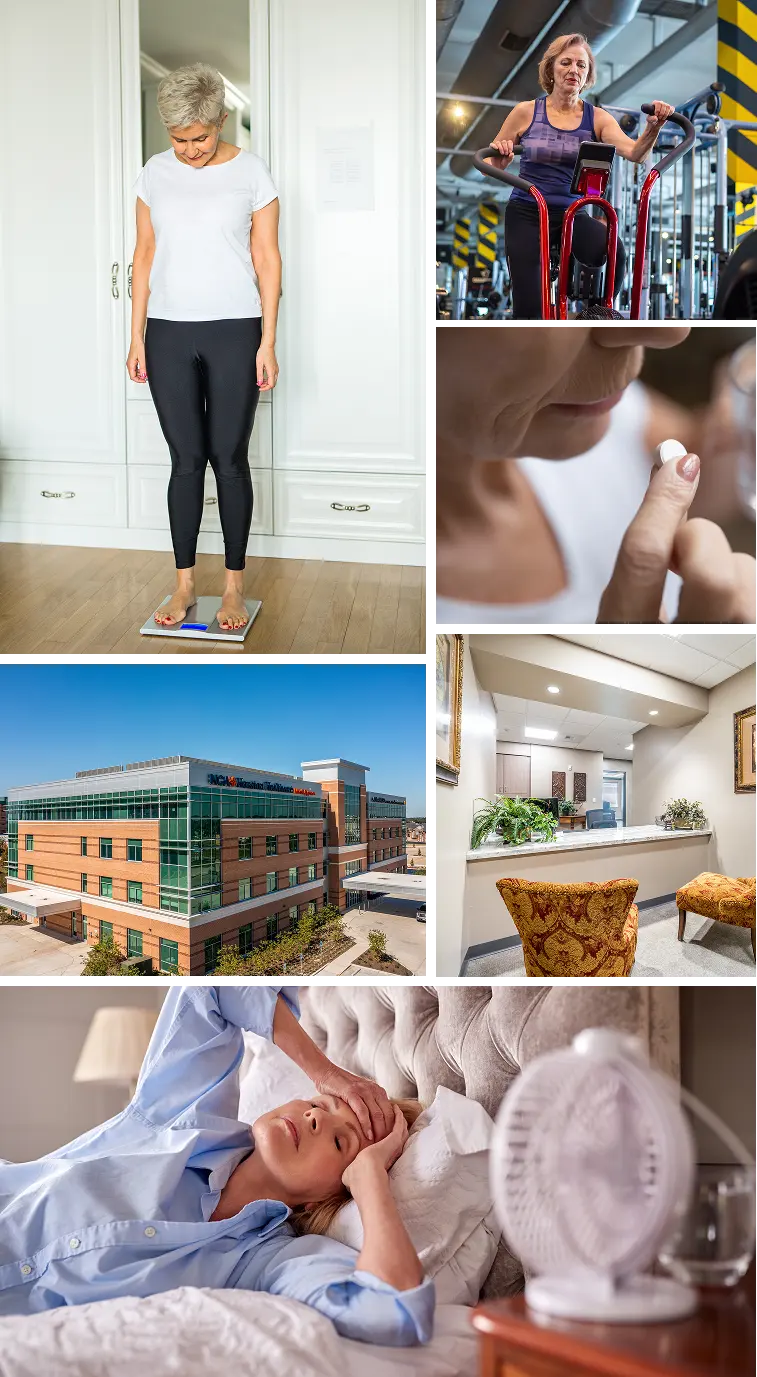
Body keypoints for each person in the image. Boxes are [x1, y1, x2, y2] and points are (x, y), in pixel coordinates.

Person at [0, 986, 433, 1346]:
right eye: (320, 1102)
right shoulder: (183, 1119)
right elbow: (210, 982)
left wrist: (370, 1178)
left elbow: (394, 1312)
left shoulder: (268, 1262)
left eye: (341, 1142)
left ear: (332, 1192)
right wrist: (324, 1071)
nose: (316, 1117)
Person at [434, 322, 756, 625]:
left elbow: (692, 471)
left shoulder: (579, 405)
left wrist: (740, 432)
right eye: (552, 270)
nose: (672, 328)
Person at [127, 64, 281, 631]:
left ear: (220, 120)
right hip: (168, 330)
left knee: (229, 459)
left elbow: (267, 258)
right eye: (178, 139)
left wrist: (267, 341)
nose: (188, 150)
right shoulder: (153, 173)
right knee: (186, 462)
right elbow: (144, 255)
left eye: (199, 137)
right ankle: (185, 586)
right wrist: (137, 335)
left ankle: (234, 589)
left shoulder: (253, 173)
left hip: (234, 328)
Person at [487, 33, 674, 318]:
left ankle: (597, 314)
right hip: (527, 211)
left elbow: (635, 153)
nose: (574, 69)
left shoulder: (597, 117)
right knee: (529, 306)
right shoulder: (525, 112)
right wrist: (502, 154)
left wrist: (653, 127)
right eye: (566, 62)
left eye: (581, 65)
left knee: (614, 252)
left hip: (571, 213)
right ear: (551, 69)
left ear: (587, 75)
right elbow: (494, 163)